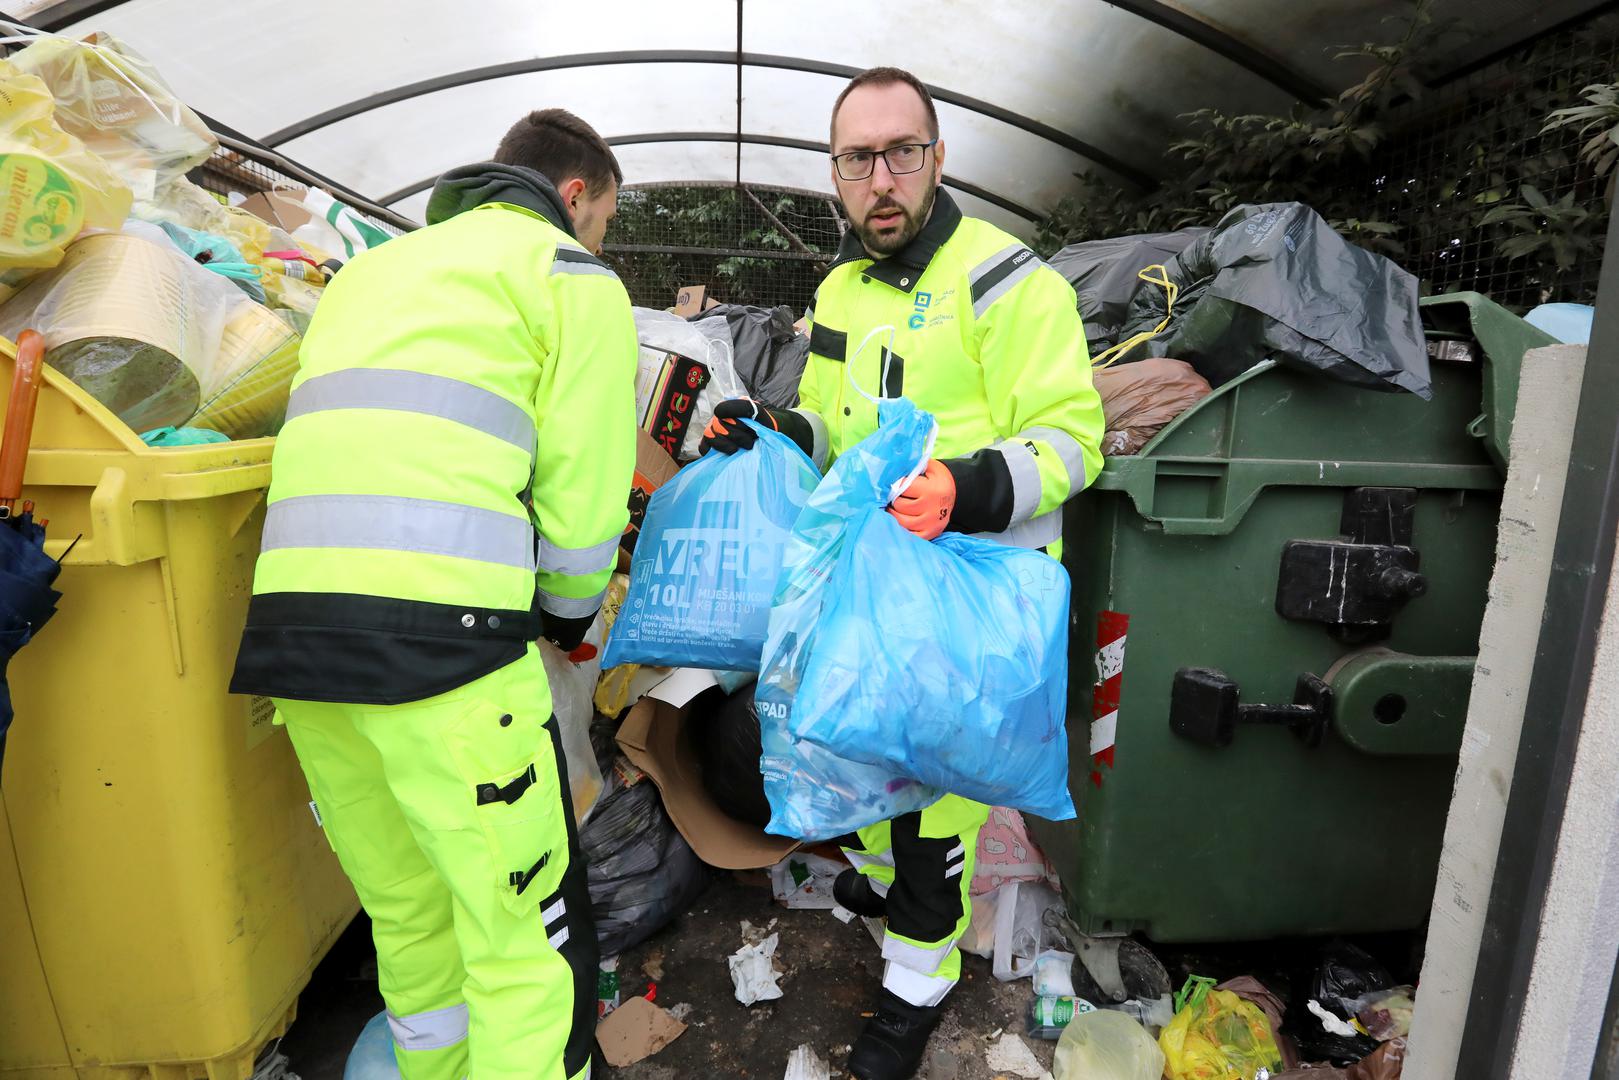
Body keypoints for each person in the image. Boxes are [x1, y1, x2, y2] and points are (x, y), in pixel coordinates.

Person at [702, 67, 1105, 1080]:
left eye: (900, 153)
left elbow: (1071, 439)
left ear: (936, 158)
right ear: (833, 173)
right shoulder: (838, 290)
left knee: (934, 824)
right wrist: (774, 425)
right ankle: (885, 894)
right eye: (856, 159)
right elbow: (835, 423)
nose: (879, 179)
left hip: (966, 610)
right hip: (873, 594)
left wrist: (963, 490)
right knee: (858, 771)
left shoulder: (1008, 282)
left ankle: (911, 1001)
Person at [229, 108, 637, 1080]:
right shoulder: (569, 277)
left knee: (411, 920)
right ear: (572, 195)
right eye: (605, 220)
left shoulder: (366, 273)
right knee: (524, 945)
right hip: (443, 657)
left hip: (296, 648)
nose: (599, 241)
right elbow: (581, 517)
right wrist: (568, 622)